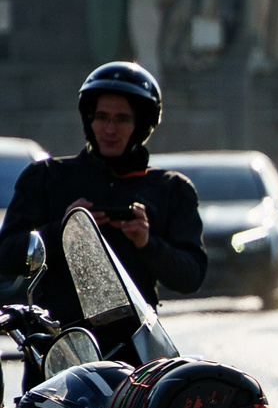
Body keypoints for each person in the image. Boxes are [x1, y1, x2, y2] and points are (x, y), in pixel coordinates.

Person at [1, 63, 206, 326]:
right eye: (101, 117)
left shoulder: (172, 189)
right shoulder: (45, 178)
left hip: (134, 345)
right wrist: (63, 231)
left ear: (142, 126)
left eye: (122, 119)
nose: (110, 130)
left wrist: (147, 242)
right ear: (89, 119)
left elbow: (191, 277)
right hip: (59, 341)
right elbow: (6, 258)